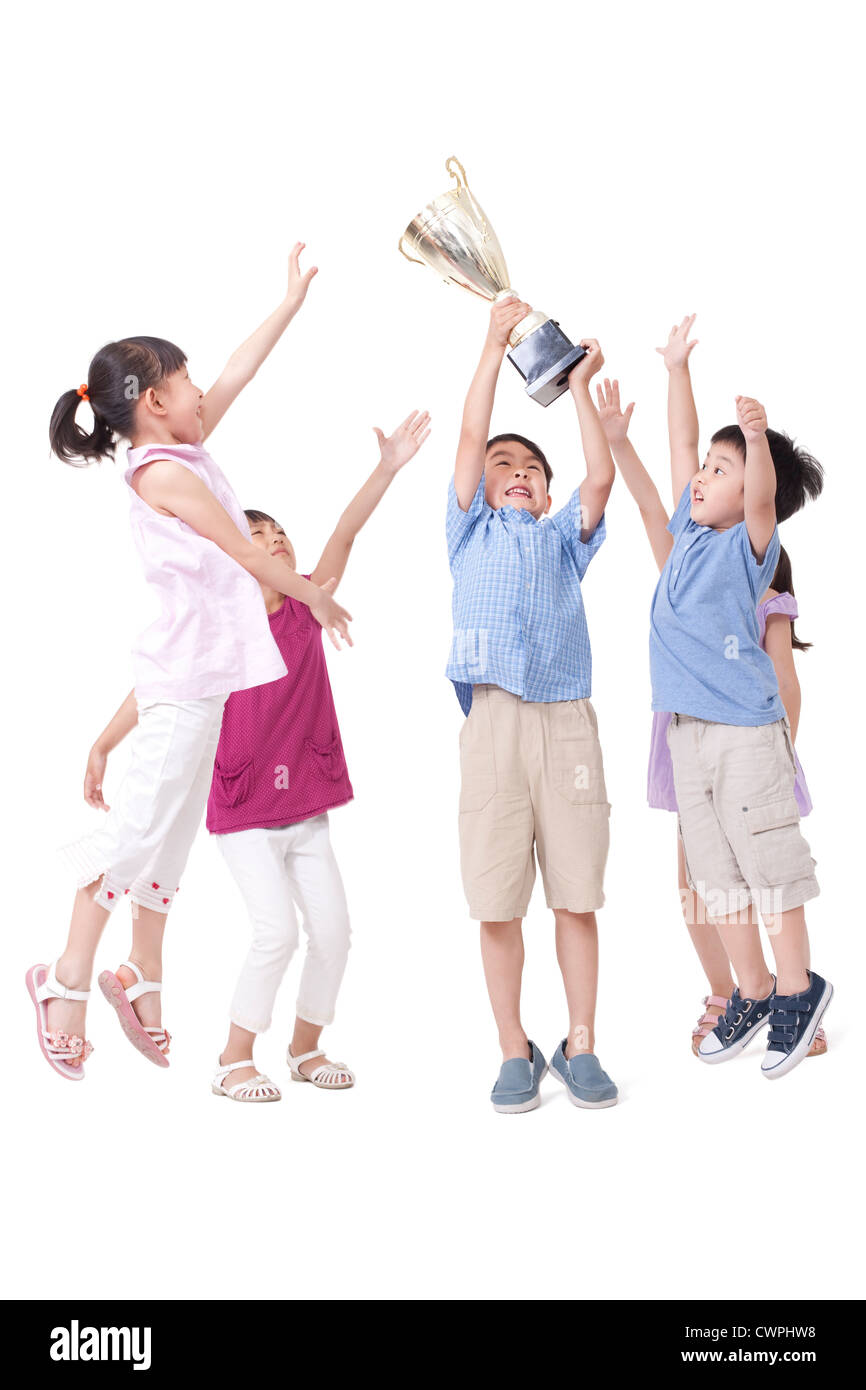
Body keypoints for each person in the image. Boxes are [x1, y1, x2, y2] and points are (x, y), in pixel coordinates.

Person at [28, 245, 351, 1081]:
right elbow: (246, 553)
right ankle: (62, 978)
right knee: (133, 839)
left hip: (200, 688)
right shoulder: (165, 474)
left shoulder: (185, 450)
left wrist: (289, 304)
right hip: (177, 693)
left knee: (168, 847)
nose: (206, 390)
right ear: (155, 401)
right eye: (190, 382)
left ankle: (142, 976)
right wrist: (314, 597)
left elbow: (239, 373)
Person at [599, 315, 830, 1079]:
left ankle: (799, 990)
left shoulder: (746, 551)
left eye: (721, 471)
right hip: (687, 735)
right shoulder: (688, 537)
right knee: (714, 880)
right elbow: (670, 456)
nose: (703, 474)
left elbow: (759, 497)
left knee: (769, 867)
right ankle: (754, 991)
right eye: (709, 465)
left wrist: (757, 445)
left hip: (744, 735)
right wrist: (672, 376)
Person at [446, 296, 618, 1114]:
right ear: (480, 488)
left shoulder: (561, 540)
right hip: (492, 722)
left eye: (531, 469)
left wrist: (579, 384)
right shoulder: (470, 533)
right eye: (502, 465)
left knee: (576, 892)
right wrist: (490, 348)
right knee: (495, 896)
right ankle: (513, 1045)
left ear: (546, 495)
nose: (516, 472)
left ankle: (580, 1040)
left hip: (567, 721)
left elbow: (603, 476)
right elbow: (472, 437)